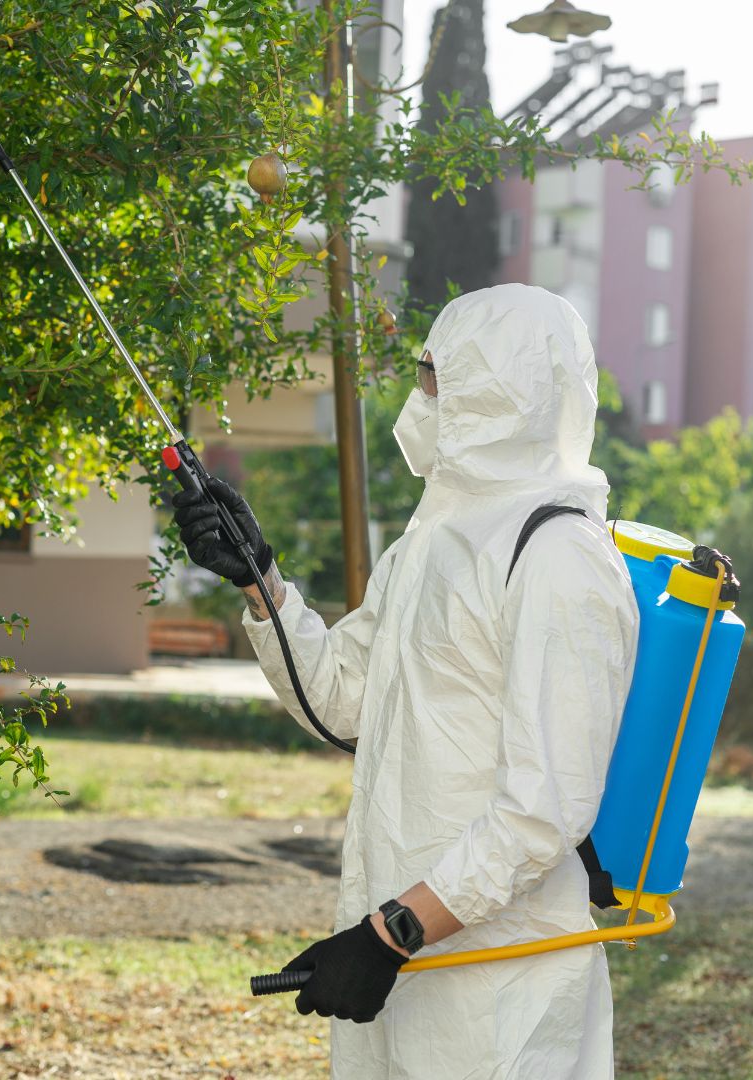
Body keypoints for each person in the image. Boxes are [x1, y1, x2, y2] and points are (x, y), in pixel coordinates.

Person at [172, 283, 639, 1079]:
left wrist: (392, 933)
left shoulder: (560, 555)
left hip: (499, 979)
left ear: (499, 391)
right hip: (403, 946)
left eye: (434, 378)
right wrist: (262, 583)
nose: (419, 397)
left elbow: (544, 811)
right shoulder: (433, 538)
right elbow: (346, 700)